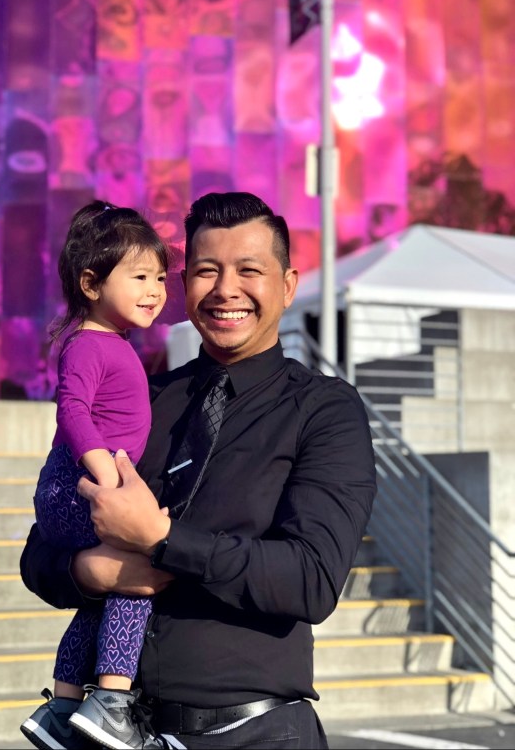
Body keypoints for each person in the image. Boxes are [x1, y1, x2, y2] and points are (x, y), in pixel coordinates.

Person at [21, 191, 377, 749]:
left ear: (287, 285)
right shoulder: (142, 396)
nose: (226, 290)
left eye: (249, 270)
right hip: (126, 730)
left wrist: (160, 539)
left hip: (259, 733)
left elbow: (311, 580)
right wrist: (94, 572)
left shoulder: (326, 409)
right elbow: (40, 553)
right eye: (206, 271)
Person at [20, 201, 171, 750]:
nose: (155, 289)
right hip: (75, 488)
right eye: (139, 276)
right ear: (90, 282)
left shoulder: (113, 342)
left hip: (73, 489)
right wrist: (106, 475)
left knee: (99, 599)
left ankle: (62, 709)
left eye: (158, 277)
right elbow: (72, 410)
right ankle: (110, 701)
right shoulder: (89, 343)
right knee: (136, 578)